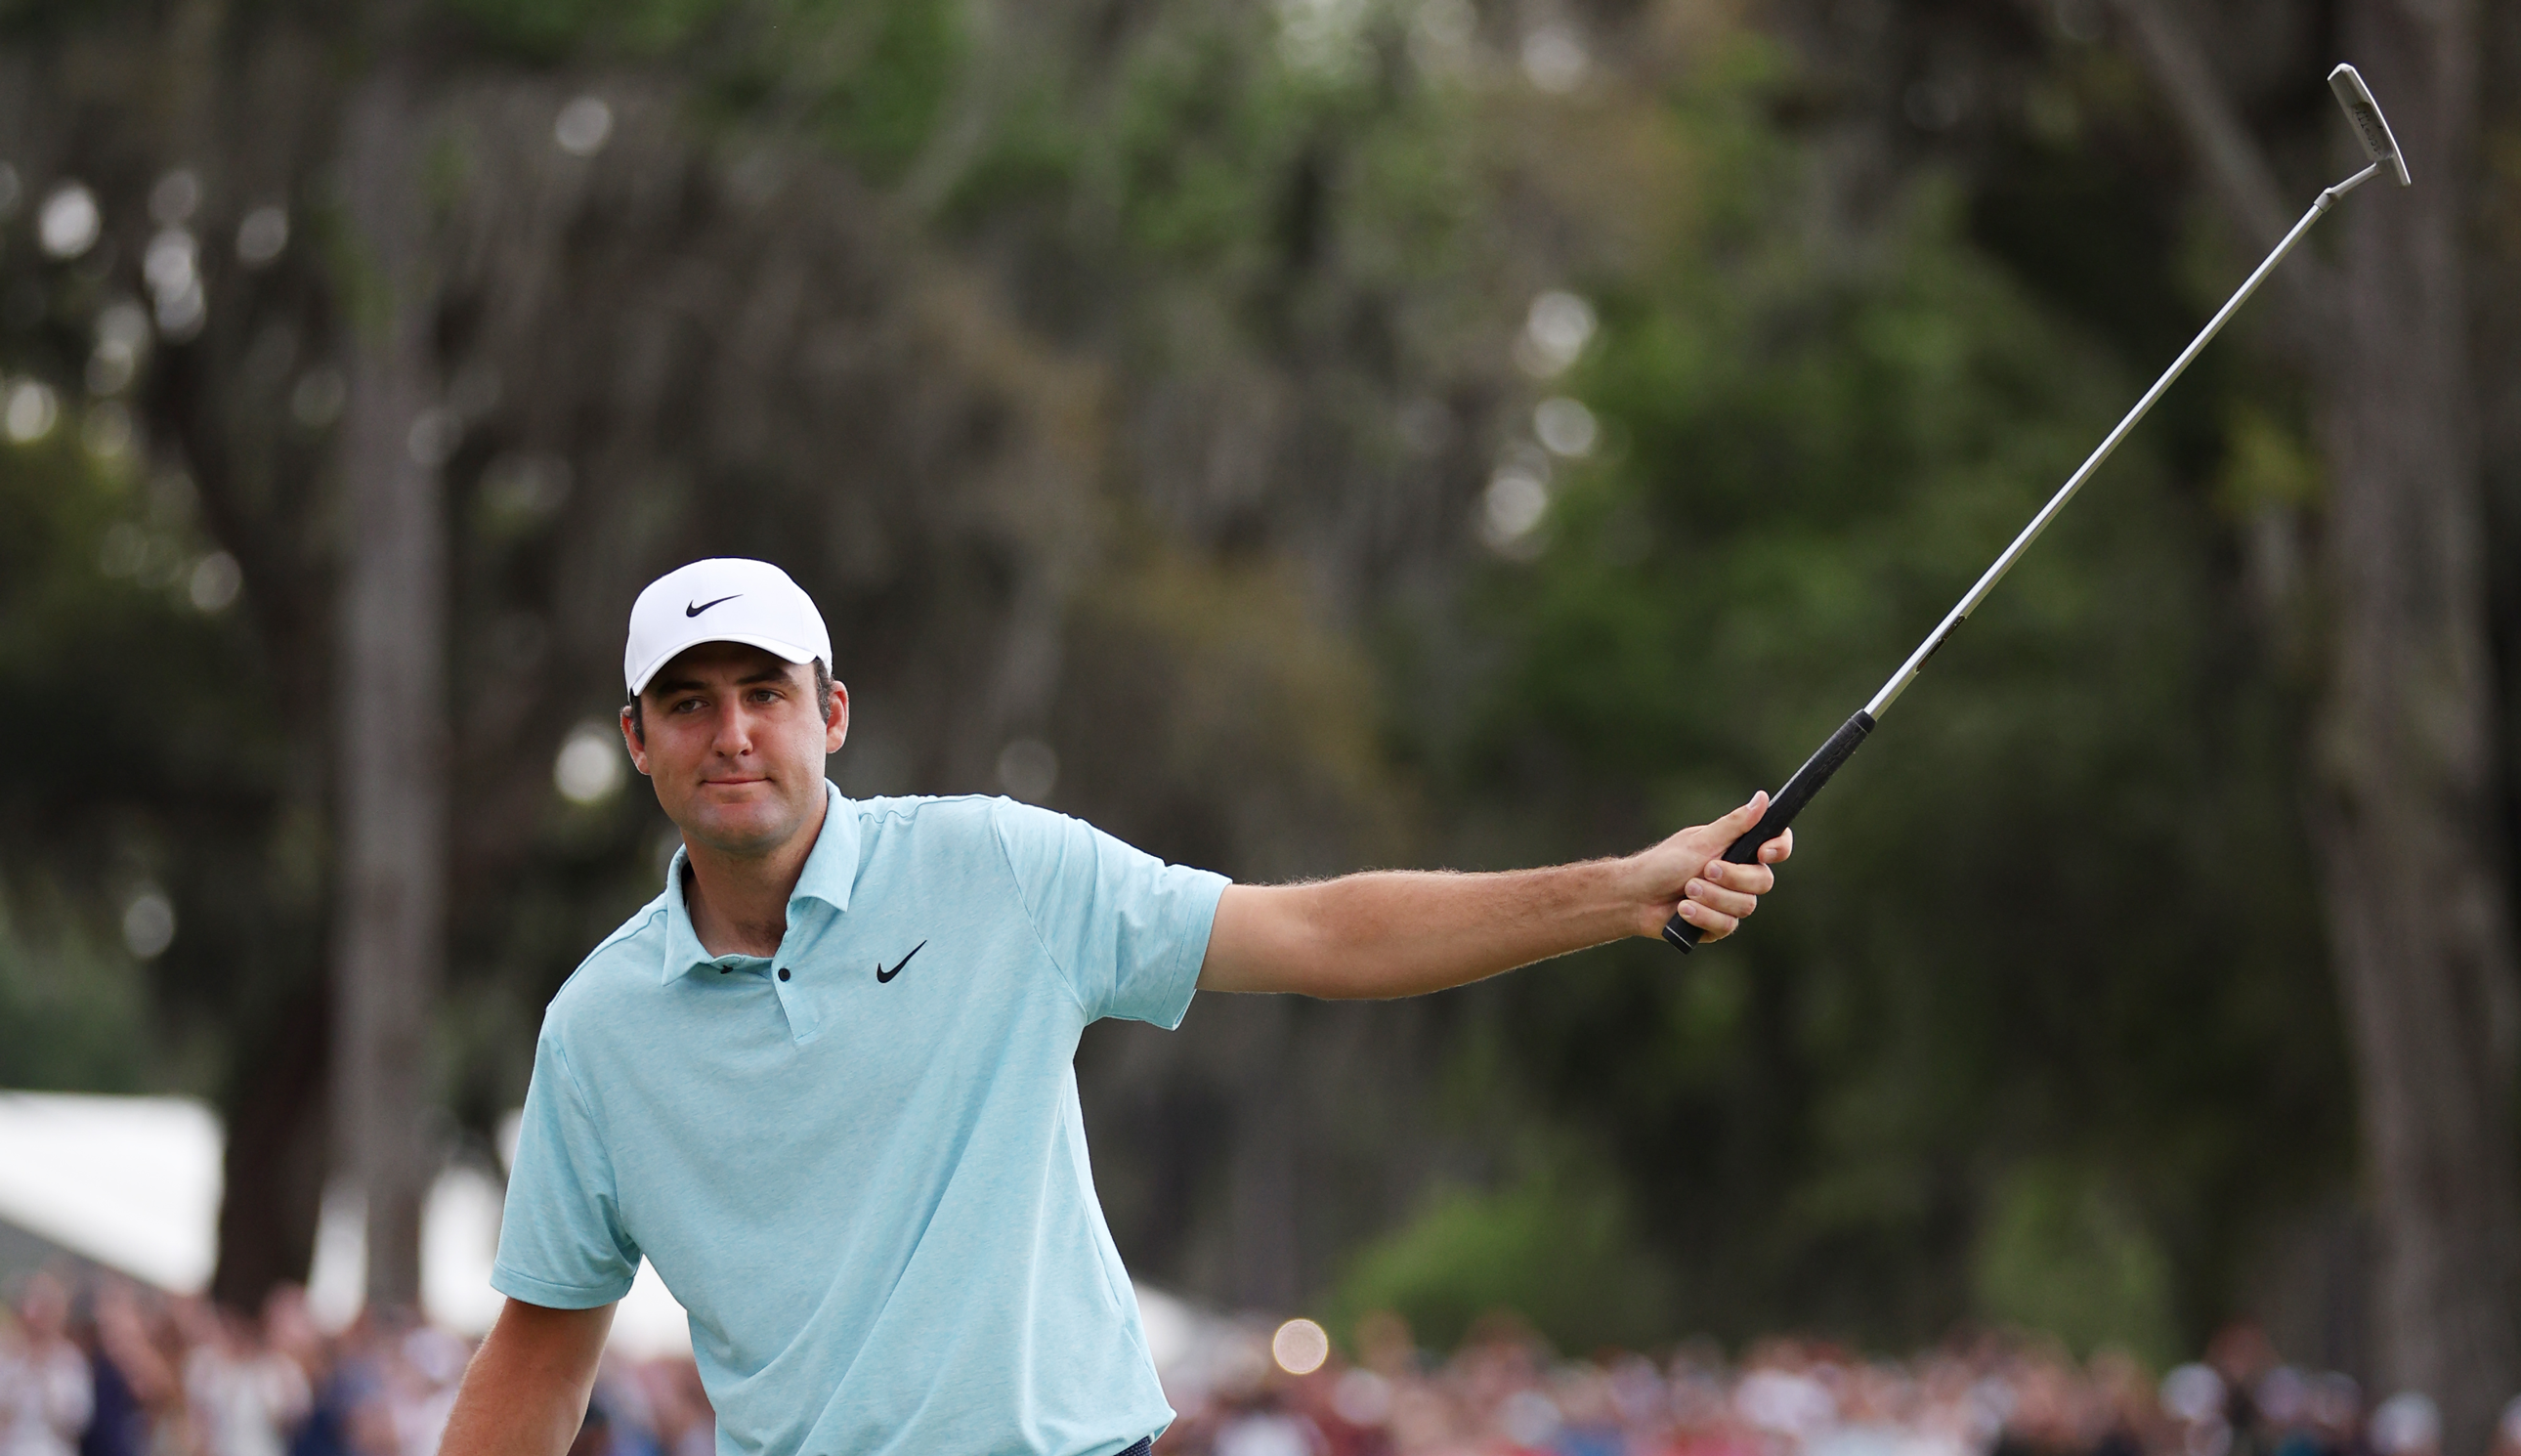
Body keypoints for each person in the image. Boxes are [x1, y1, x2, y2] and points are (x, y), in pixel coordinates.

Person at [439, 558, 1794, 1456]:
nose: (730, 732)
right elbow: (541, 1350)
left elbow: (1317, 932)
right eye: (686, 703)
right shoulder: (600, 1029)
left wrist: (1618, 889)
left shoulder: (998, 869)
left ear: (831, 712)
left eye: (762, 694)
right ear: (636, 740)